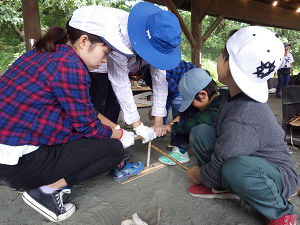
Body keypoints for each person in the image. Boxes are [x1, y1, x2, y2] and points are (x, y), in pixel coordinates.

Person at [0, 6, 144, 222]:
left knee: (101, 136)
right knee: (113, 151)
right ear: (84, 41)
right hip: (18, 164)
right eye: (105, 52)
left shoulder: (45, 53)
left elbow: (86, 112)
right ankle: (46, 191)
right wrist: (123, 136)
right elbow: (88, 127)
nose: (105, 61)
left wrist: (116, 128)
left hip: (8, 153)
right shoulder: (71, 66)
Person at [186, 26, 299, 225]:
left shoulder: (244, 116)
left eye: (222, 54)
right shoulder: (231, 95)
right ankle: (225, 185)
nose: (220, 58)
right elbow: (225, 144)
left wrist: (201, 175)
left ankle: (282, 213)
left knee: (234, 169)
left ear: (231, 65)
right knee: (201, 133)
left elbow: (223, 158)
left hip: (275, 176)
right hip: (244, 157)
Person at [91, 2, 182, 144]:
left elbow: (160, 80)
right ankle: (96, 148)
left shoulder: (162, 38)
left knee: (113, 108)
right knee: (98, 107)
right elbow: (120, 83)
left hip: (118, 68)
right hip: (96, 68)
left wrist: (158, 121)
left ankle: (109, 146)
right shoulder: (121, 34)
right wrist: (138, 125)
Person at [158, 68, 221, 165]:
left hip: (221, 145)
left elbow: (193, 123)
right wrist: (179, 116)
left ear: (203, 95)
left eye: (191, 101)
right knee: (189, 110)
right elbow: (186, 111)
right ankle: (181, 150)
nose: (191, 104)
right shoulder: (208, 100)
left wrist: (171, 127)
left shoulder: (219, 104)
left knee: (195, 127)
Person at [142, 60, 197, 149]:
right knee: (161, 108)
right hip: (175, 84)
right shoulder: (146, 71)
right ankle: (159, 131)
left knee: (178, 109)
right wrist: (156, 110)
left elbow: (172, 91)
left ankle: (177, 141)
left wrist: (159, 111)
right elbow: (158, 91)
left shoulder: (156, 69)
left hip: (186, 81)